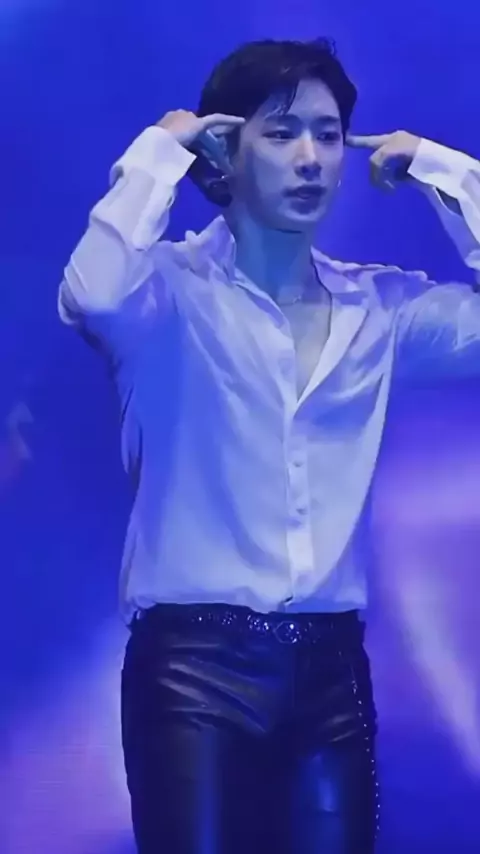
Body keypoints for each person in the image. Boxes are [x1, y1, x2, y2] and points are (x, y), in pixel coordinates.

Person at [59, 37, 480, 854]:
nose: (311, 157)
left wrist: (443, 170)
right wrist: (160, 153)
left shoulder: (379, 308)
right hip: (192, 672)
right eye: (282, 133)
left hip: (330, 674)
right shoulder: (165, 294)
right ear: (225, 147)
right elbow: (90, 295)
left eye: (328, 134)